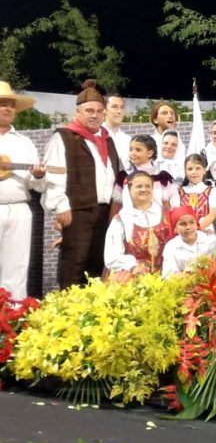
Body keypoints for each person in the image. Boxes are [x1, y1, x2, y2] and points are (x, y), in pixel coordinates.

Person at [43, 79, 122, 288]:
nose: (95, 115)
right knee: (75, 263)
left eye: (98, 111)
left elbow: (116, 174)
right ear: (78, 112)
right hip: (77, 211)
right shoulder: (64, 137)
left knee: (97, 264)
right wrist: (61, 205)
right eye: (89, 110)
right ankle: (68, 312)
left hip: (104, 212)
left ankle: (93, 313)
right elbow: (55, 173)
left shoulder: (107, 139)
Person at [0, 82, 45, 299]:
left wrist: (37, 175)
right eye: (2, 104)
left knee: (17, 266)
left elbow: (36, 185)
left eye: (11, 105)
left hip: (19, 208)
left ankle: (13, 321)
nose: (8, 109)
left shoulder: (25, 143)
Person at [103, 170, 170, 278]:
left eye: (147, 186)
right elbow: (112, 255)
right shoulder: (121, 220)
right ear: (129, 190)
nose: (144, 189)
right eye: (139, 186)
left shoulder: (167, 214)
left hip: (166, 272)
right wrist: (133, 267)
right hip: (135, 274)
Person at [119, 134, 177, 211]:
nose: (133, 153)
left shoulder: (161, 178)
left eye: (138, 150)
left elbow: (168, 204)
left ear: (150, 153)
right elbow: (118, 205)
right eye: (131, 149)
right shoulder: (125, 177)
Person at [171, 153, 216, 242]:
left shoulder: (213, 191)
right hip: (184, 236)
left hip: (206, 235)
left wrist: (197, 229)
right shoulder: (178, 192)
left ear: (204, 170)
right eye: (190, 169)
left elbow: (212, 214)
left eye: (197, 168)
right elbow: (176, 216)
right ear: (185, 171)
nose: (194, 172)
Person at [161, 205, 216, 278]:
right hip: (181, 287)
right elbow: (168, 275)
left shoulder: (210, 241)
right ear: (175, 229)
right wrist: (187, 276)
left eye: (191, 222)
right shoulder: (170, 247)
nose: (188, 227)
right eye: (183, 224)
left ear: (196, 224)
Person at [103, 94, 131, 170]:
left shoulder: (127, 139)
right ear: (104, 110)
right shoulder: (97, 135)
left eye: (122, 107)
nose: (119, 111)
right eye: (114, 107)